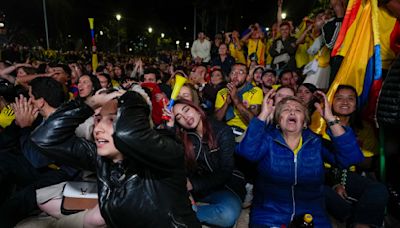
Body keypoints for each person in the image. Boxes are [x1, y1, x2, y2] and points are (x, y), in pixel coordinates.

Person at [30, 90, 201, 227]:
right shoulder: (102, 160)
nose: (98, 129)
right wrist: (90, 103)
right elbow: (44, 138)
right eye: (97, 120)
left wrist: (132, 96)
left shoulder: (167, 152)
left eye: (111, 120)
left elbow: (128, 135)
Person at [236, 90, 364, 227]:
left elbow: (350, 158)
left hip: (312, 216)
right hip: (269, 215)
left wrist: (330, 119)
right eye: (286, 110)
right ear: (279, 121)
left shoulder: (316, 143)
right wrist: (263, 115)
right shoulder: (267, 139)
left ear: (304, 122)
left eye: (298, 110)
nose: (292, 112)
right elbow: (246, 153)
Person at [164, 99, 245, 227]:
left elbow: (225, 171)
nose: (185, 117)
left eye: (186, 110)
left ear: (196, 109)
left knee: (227, 215)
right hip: (198, 190)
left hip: (226, 187)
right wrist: (169, 127)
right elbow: (169, 156)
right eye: (179, 117)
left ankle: (182, 216)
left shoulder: (222, 131)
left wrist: (193, 185)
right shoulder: (185, 137)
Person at [324, 85, 388, 228]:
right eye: (339, 98)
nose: (345, 102)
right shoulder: (319, 125)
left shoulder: (364, 128)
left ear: (356, 105)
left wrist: (347, 152)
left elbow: (369, 162)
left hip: (352, 175)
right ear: (330, 102)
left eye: (350, 99)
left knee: (378, 190)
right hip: (325, 175)